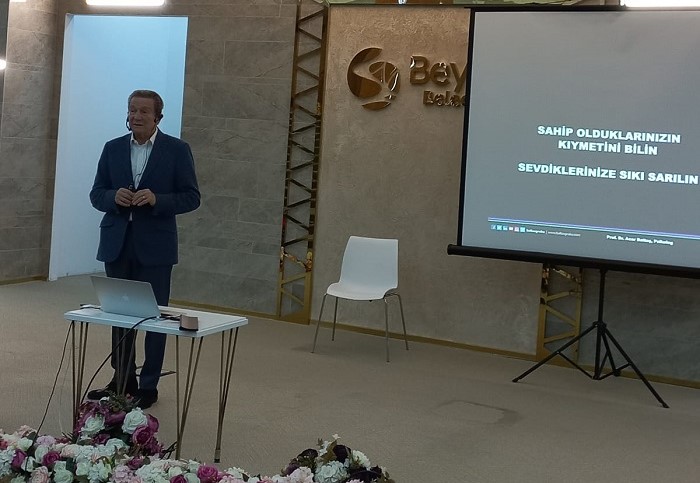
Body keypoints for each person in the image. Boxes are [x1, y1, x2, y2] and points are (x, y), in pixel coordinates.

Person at [87, 89, 200, 408]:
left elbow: (191, 197)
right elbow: (96, 193)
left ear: (158, 117)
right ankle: (122, 380)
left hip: (156, 247)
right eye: (132, 110)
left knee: (154, 317)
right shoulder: (112, 148)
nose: (136, 116)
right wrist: (112, 197)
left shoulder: (176, 150)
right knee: (119, 314)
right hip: (117, 243)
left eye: (143, 111)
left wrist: (157, 199)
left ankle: (148, 385)